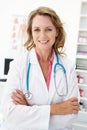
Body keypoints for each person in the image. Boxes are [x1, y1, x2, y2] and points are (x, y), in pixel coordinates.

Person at [0, 6, 80, 130]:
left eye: (48, 29)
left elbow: (71, 114)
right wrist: (56, 109)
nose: (42, 35)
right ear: (31, 33)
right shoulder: (18, 64)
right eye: (37, 29)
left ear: (57, 32)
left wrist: (28, 109)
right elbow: (9, 113)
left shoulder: (67, 67)